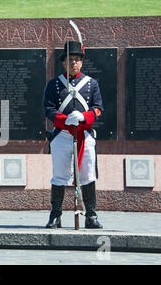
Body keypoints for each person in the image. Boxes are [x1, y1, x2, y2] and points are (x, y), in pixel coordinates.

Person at [43, 41, 103, 229]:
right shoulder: (54, 85)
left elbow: (98, 109)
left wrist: (84, 117)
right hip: (62, 134)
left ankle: (91, 216)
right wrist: (64, 120)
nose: (73, 63)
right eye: (70, 60)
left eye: (77, 60)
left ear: (82, 63)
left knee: (87, 175)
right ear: (63, 62)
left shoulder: (92, 84)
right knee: (59, 176)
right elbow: (49, 109)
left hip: (84, 135)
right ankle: (55, 215)